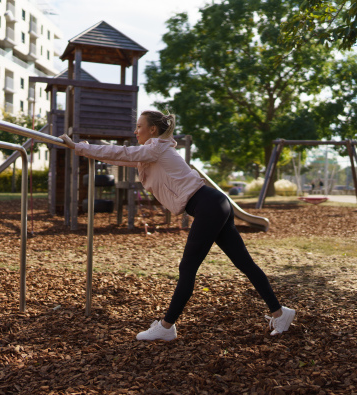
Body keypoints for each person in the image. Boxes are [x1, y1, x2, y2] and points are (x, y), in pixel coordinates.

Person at [60, 110, 295, 341]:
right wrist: (83, 151)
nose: (135, 131)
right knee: (243, 263)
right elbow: (119, 157)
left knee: (188, 268)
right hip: (214, 204)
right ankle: (280, 312)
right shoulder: (153, 152)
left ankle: (166, 326)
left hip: (208, 206)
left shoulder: (155, 148)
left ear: (153, 130)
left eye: (139, 126)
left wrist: (77, 146)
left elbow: (121, 151)